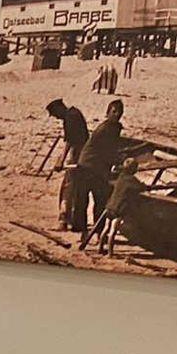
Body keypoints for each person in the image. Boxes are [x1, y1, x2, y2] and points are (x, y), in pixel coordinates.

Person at [71, 99, 126, 247]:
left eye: (119, 112)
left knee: (97, 201)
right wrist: (120, 163)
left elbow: (111, 150)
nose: (117, 114)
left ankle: (96, 233)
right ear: (108, 113)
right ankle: (86, 233)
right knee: (86, 201)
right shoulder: (107, 129)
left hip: (95, 167)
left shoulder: (112, 128)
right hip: (88, 167)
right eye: (114, 111)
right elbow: (108, 151)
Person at [46, 98, 90, 231]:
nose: (56, 117)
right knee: (75, 189)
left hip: (77, 154)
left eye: (55, 114)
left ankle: (64, 220)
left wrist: (61, 160)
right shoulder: (74, 113)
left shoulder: (70, 117)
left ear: (59, 109)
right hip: (83, 154)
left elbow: (70, 142)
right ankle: (73, 220)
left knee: (67, 189)